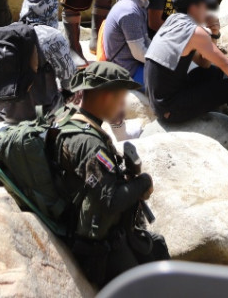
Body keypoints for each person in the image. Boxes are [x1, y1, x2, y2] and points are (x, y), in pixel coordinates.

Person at [55, 62, 169, 287]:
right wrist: (143, 182)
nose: (123, 106)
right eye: (121, 99)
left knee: (157, 249)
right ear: (107, 96)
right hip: (100, 247)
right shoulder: (89, 144)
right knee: (146, 287)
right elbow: (111, 200)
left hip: (98, 230)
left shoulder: (70, 119)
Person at [145, 0, 228, 162]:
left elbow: (204, 64)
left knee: (212, 73)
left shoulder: (170, 24)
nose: (207, 10)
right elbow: (227, 64)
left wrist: (214, 33)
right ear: (194, 7)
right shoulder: (194, 32)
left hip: (161, 101)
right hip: (170, 109)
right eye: (205, 5)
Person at [0, 0, 77, 123]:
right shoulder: (53, 36)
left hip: (6, 112)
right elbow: (70, 82)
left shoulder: (5, 33)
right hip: (41, 114)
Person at [103, 0, 160, 84]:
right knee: (171, 84)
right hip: (127, 71)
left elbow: (145, 41)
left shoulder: (138, 4)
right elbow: (139, 53)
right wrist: (163, 62)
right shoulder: (130, 12)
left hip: (133, 64)